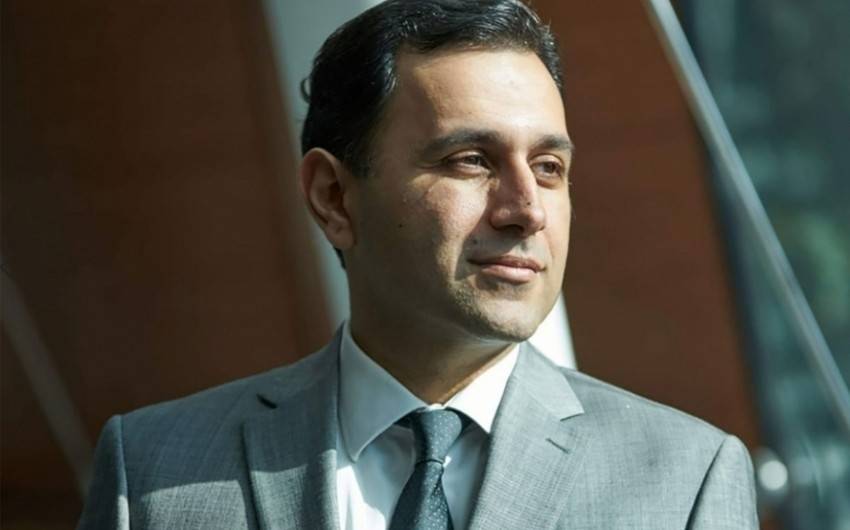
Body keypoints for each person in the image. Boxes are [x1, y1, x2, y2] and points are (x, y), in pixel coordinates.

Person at [78, 1, 759, 528]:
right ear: (333, 196)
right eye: (471, 160)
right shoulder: (153, 472)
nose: (527, 209)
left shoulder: (685, 479)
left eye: (549, 167)